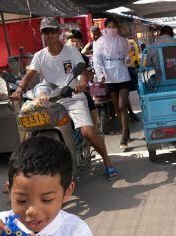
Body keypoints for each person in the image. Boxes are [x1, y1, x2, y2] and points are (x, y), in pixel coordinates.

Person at [11, 17, 119, 180]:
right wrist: (19, 90)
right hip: (50, 100)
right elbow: (29, 76)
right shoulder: (39, 56)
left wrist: (82, 84)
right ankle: (22, 172)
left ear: (59, 32)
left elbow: (83, 73)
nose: (49, 35)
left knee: (88, 132)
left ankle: (107, 162)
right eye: (45, 32)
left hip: (73, 97)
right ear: (42, 34)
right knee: (28, 132)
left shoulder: (71, 51)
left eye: (52, 31)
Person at [92, 17, 132, 150]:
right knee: (116, 107)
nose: (112, 29)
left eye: (114, 26)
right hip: (109, 78)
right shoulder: (99, 43)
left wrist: (127, 59)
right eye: (109, 26)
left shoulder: (123, 41)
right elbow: (97, 60)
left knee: (122, 106)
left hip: (123, 76)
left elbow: (127, 54)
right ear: (105, 28)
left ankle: (124, 136)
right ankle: (125, 130)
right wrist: (100, 75)